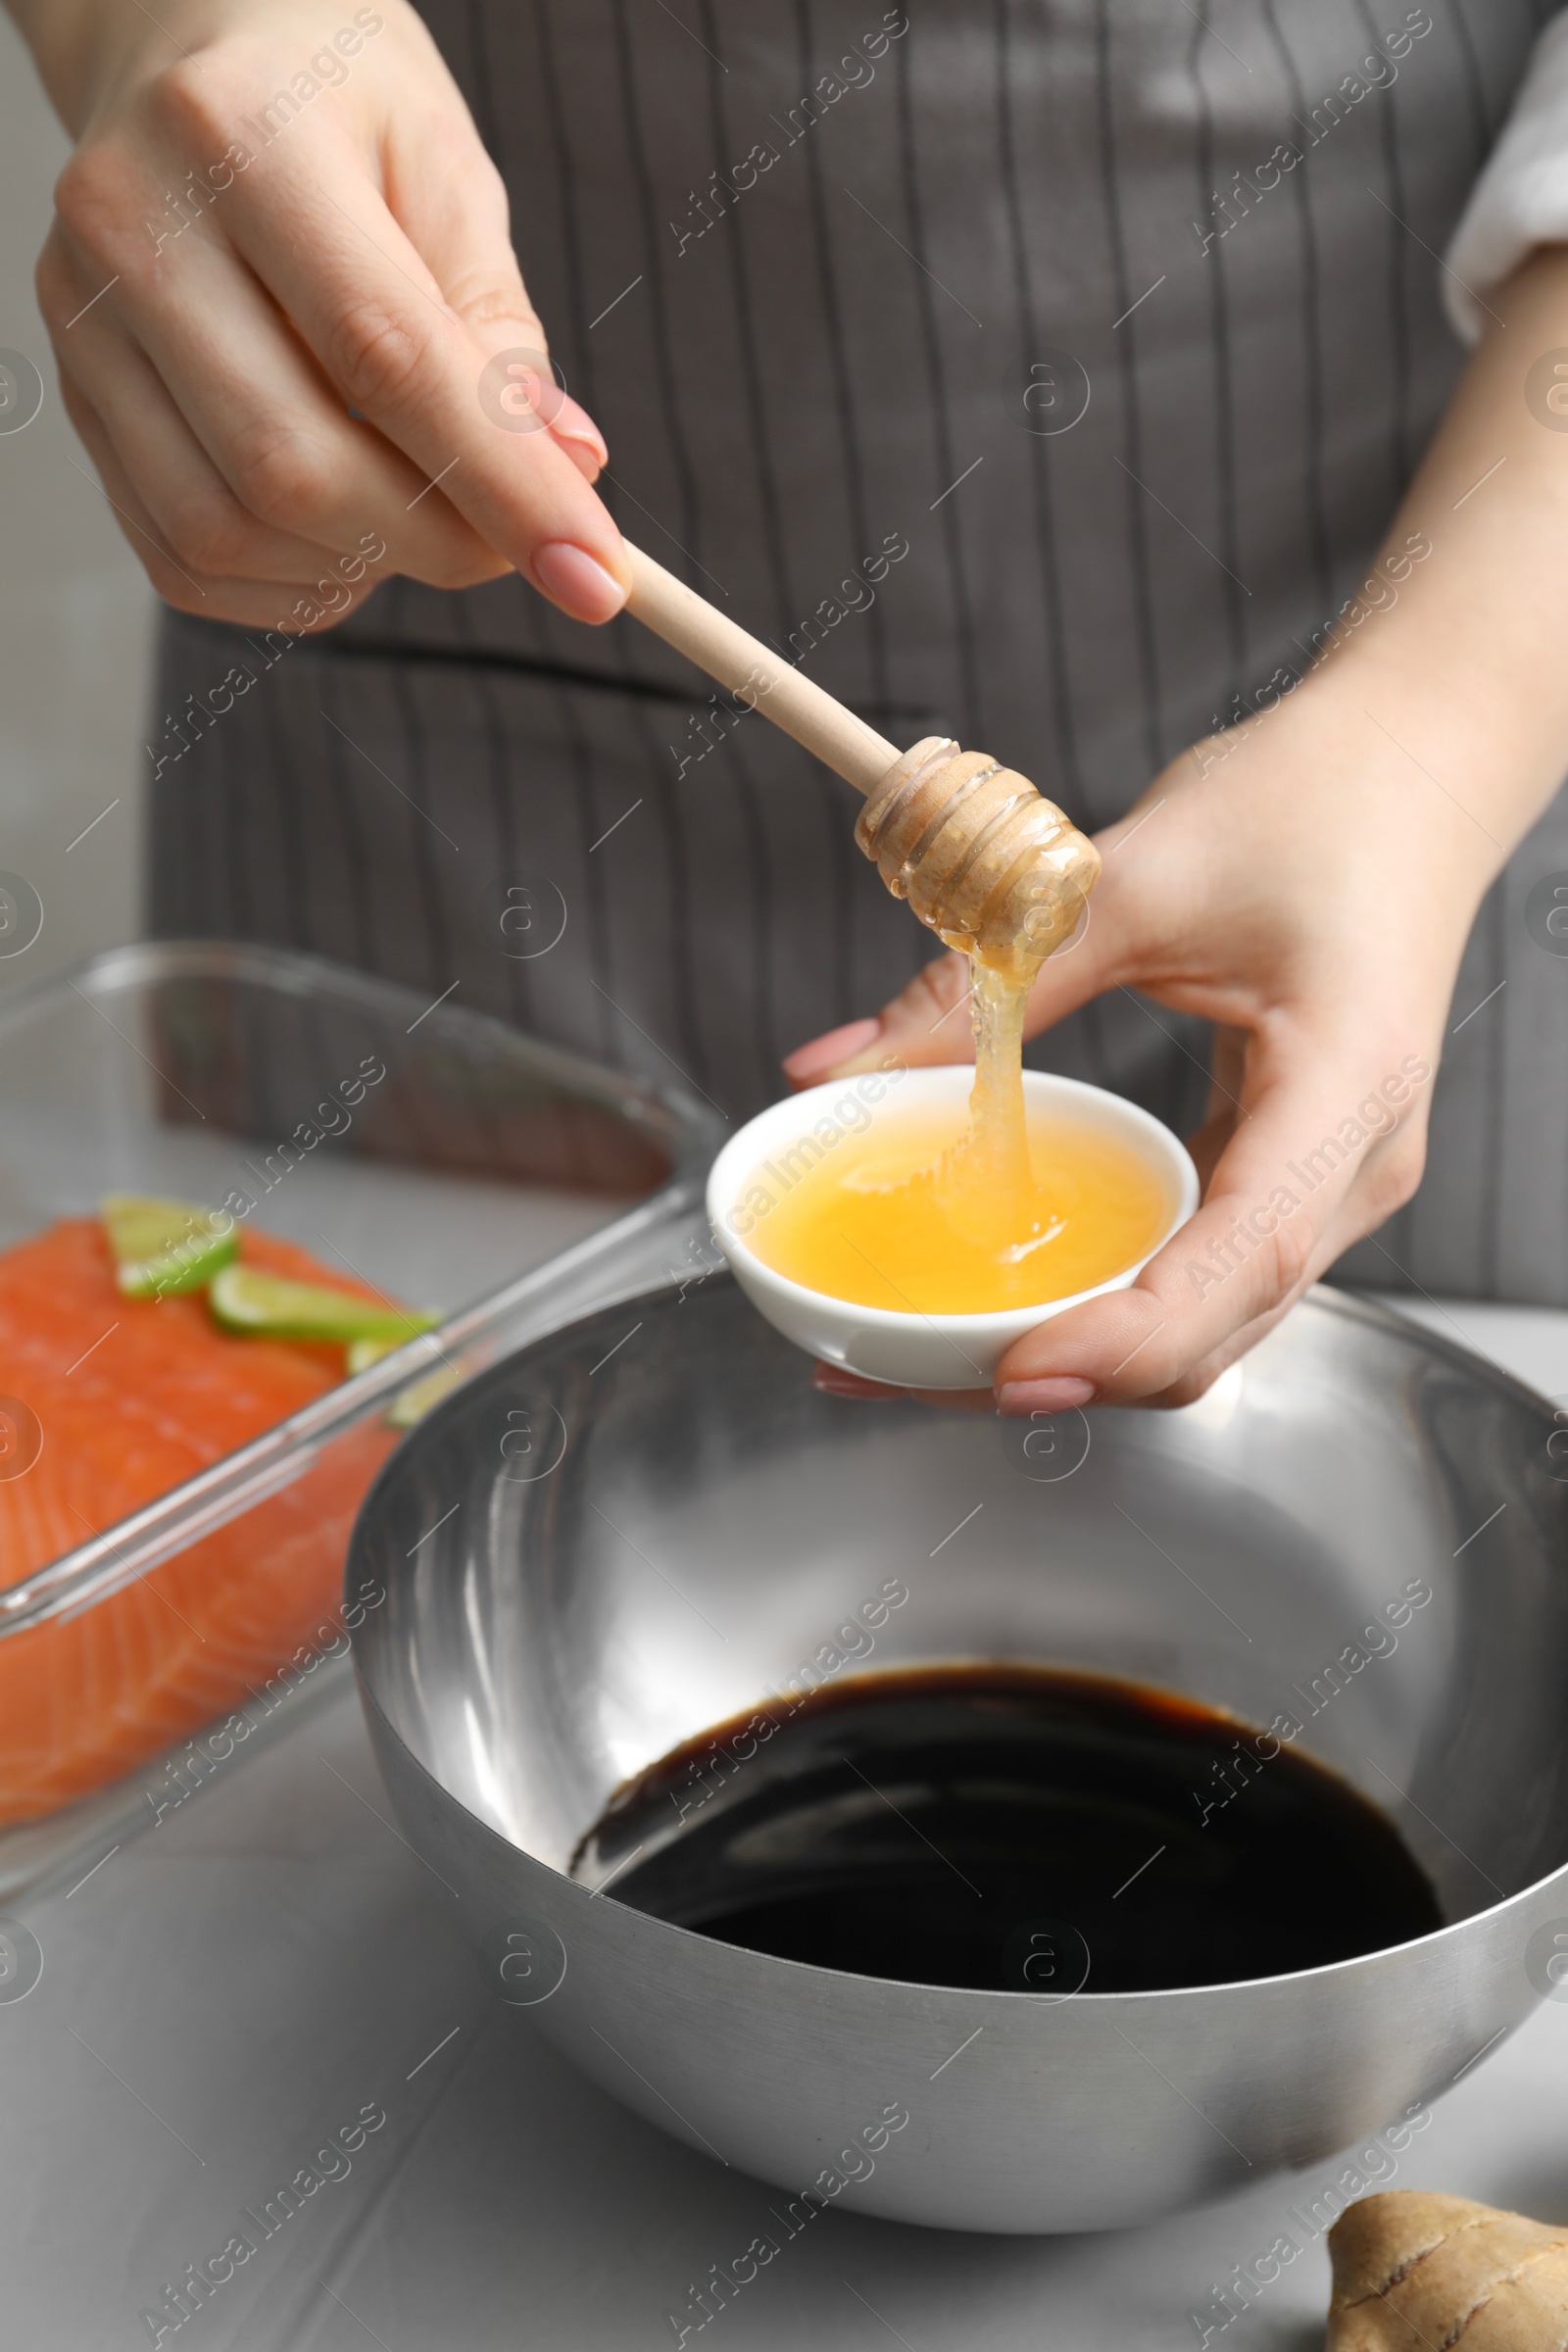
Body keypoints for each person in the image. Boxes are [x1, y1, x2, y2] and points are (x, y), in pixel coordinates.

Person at [8, 0, 1568, 1415]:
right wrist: (169, 26)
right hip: (445, 804)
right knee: (363, 1465)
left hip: (1441, 674)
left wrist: (1419, 757)